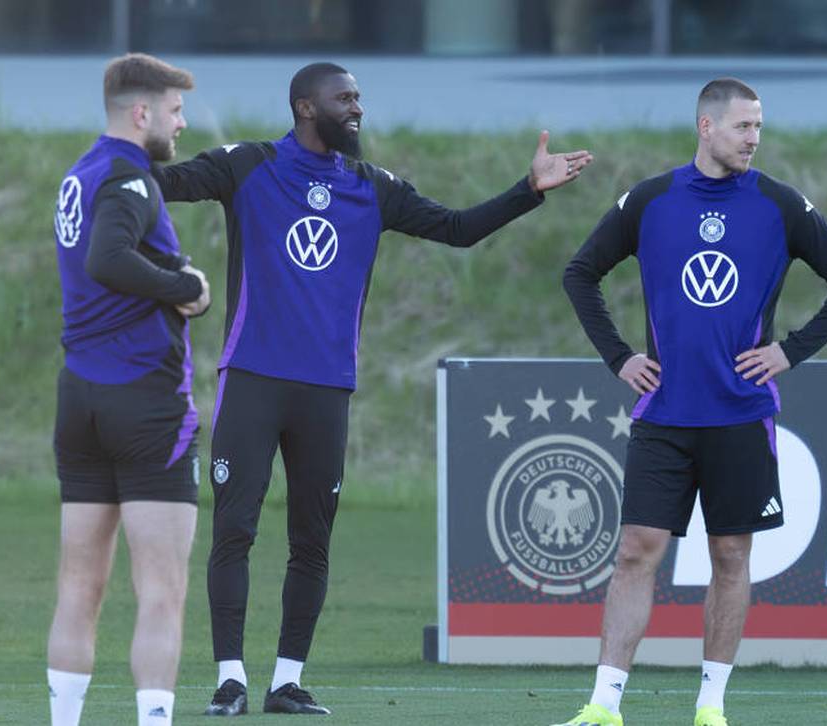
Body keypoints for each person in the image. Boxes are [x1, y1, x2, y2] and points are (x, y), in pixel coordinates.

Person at [149, 61, 592, 716]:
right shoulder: (249, 166)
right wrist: (131, 142)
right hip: (253, 380)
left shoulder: (373, 188)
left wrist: (529, 188)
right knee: (235, 529)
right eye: (345, 98)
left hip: (327, 390)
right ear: (306, 106)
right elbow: (160, 184)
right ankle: (231, 679)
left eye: (358, 97)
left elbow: (458, 229)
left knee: (312, 537)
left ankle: (286, 682)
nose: (357, 108)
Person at [557, 77, 827, 726]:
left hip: (740, 416)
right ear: (706, 127)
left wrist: (791, 349)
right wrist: (620, 357)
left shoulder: (779, 205)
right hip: (664, 415)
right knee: (636, 550)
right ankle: (604, 705)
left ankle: (710, 707)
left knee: (730, 556)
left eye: (759, 127)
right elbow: (579, 273)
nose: (754, 138)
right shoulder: (651, 200)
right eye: (742, 127)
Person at [47, 53, 210, 726]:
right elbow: (108, 258)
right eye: (174, 111)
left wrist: (168, 268)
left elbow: (100, 257)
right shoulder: (131, 177)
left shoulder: (80, 173)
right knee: (161, 592)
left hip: (80, 398)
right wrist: (186, 288)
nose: (182, 122)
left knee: (79, 587)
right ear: (141, 113)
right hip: (144, 402)